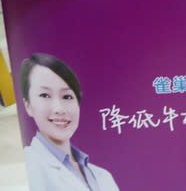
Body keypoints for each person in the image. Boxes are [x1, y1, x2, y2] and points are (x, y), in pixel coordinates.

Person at [19, 53, 119, 191]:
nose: (59, 109)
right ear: (28, 105)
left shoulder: (103, 176)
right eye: (45, 95)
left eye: (67, 96)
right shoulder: (29, 167)